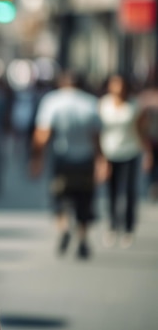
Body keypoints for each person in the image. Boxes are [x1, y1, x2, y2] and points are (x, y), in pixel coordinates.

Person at [30, 70, 106, 260]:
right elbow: (96, 136)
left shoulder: (52, 101)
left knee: (59, 197)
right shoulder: (91, 102)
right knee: (85, 199)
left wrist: (37, 158)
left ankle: (64, 227)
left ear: (63, 83)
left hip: (62, 158)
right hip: (85, 159)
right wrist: (101, 160)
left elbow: (42, 134)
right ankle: (83, 238)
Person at [98, 74, 153, 248]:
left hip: (130, 151)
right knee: (112, 191)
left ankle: (129, 228)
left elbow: (142, 131)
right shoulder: (103, 105)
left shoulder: (134, 105)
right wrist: (100, 158)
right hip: (109, 152)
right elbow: (98, 132)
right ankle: (113, 225)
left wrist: (147, 153)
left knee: (129, 192)